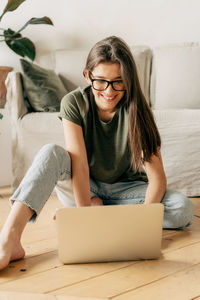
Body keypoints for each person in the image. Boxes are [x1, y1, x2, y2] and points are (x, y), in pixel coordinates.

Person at [0, 36, 193, 270]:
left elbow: (157, 178)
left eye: (118, 82)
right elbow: (79, 166)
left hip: (126, 191)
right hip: (83, 185)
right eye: (100, 81)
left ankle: (102, 211)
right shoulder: (73, 103)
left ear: (128, 81)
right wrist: (85, 220)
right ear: (87, 76)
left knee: (182, 208)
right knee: (50, 152)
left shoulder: (139, 110)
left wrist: (143, 224)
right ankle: (9, 238)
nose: (109, 91)